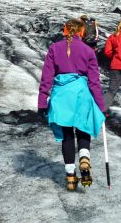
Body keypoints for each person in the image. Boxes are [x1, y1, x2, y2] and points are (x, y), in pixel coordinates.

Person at [38, 18, 107, 191]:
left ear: (65, 30)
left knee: (67, 134)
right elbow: (94, 82)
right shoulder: (88, 51)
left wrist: (42, 102)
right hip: (82, 94)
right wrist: (101, 106)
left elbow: (46, 78)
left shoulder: (54, 48)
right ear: (81, 32)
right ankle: (84, 156)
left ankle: (70, 177)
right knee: (83, 128)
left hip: (61, 96)